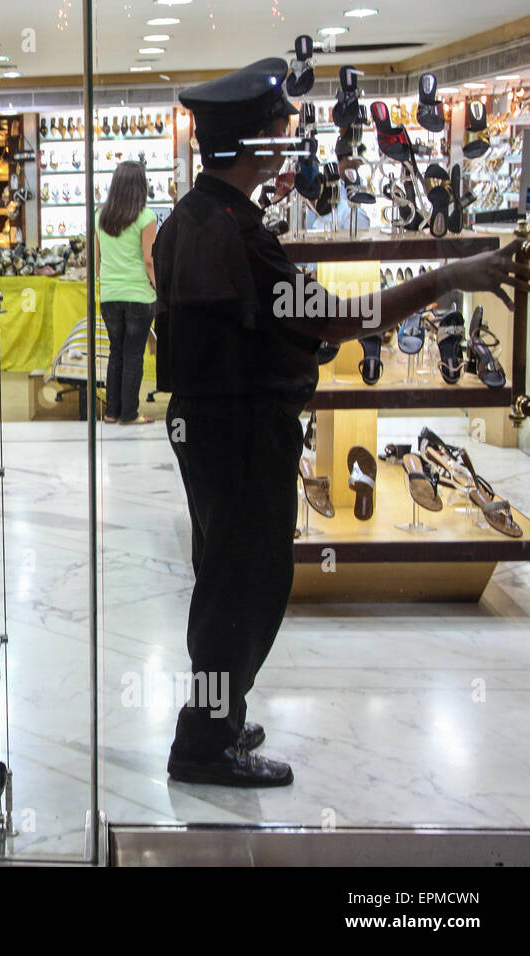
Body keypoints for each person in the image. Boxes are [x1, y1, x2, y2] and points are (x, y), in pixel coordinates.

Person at [154, 58, 529, 787]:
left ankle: (217, 715)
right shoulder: (235, 233)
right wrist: (449, 276)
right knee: (246, 586)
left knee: (225, 578)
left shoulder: (191, 220)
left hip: (213, 427)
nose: (287, 147)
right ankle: (202, 745)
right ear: (254, 146)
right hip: (241, 431)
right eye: (279, 135)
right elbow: (335, 322)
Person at [96, 161, 159, 424]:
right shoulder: (146, 217)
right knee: (134, 354)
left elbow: (96, 259)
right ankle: (129, 413)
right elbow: (149, 259)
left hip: (109, 295)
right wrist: (159, 286)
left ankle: (112, 411)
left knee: (116, 352)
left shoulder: (100, 216)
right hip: (138, 295)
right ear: (140, 186)